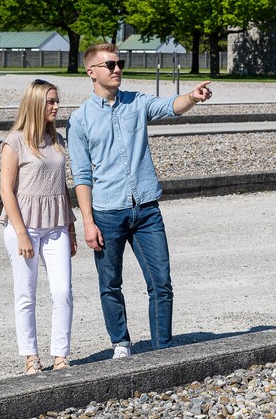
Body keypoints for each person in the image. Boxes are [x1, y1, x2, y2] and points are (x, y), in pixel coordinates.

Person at [66, 43, 212, 358]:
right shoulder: (80, 120)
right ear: (92, 72)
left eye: (120, 64)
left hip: (146, 210)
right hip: (107, 212)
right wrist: (88, 223)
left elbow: (170, 105)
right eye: (110, 65)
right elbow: (81, 176)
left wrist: (191, 97)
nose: (117, 69)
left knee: (161, 281)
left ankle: (162, 348)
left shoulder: (136, 103)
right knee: (110, 283)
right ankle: (121, 343)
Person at [0, 79, 77, 374]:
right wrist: (21, 233)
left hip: (56, 224)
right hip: (25, 226)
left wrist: (71, 229)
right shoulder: (15, 141)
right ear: (35, 104)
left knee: (63, 291)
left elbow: (62, 186)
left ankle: (61, 355)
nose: (57, 106)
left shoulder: (57, 140)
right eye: (51, 102)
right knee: (26, 293)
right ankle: (30, 356)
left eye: (57, 101)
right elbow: (6, 190)